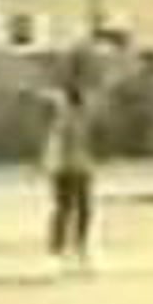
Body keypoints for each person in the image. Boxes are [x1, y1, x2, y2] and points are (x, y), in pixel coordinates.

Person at [40, 78, 98, 274]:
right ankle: (58, 252)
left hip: (79, 167)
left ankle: (77, 249)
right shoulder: (62, 118)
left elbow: (85, 143)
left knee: (83, 211)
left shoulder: (81, 118)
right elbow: (60, 144)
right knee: (64, 210)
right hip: (64, 168)